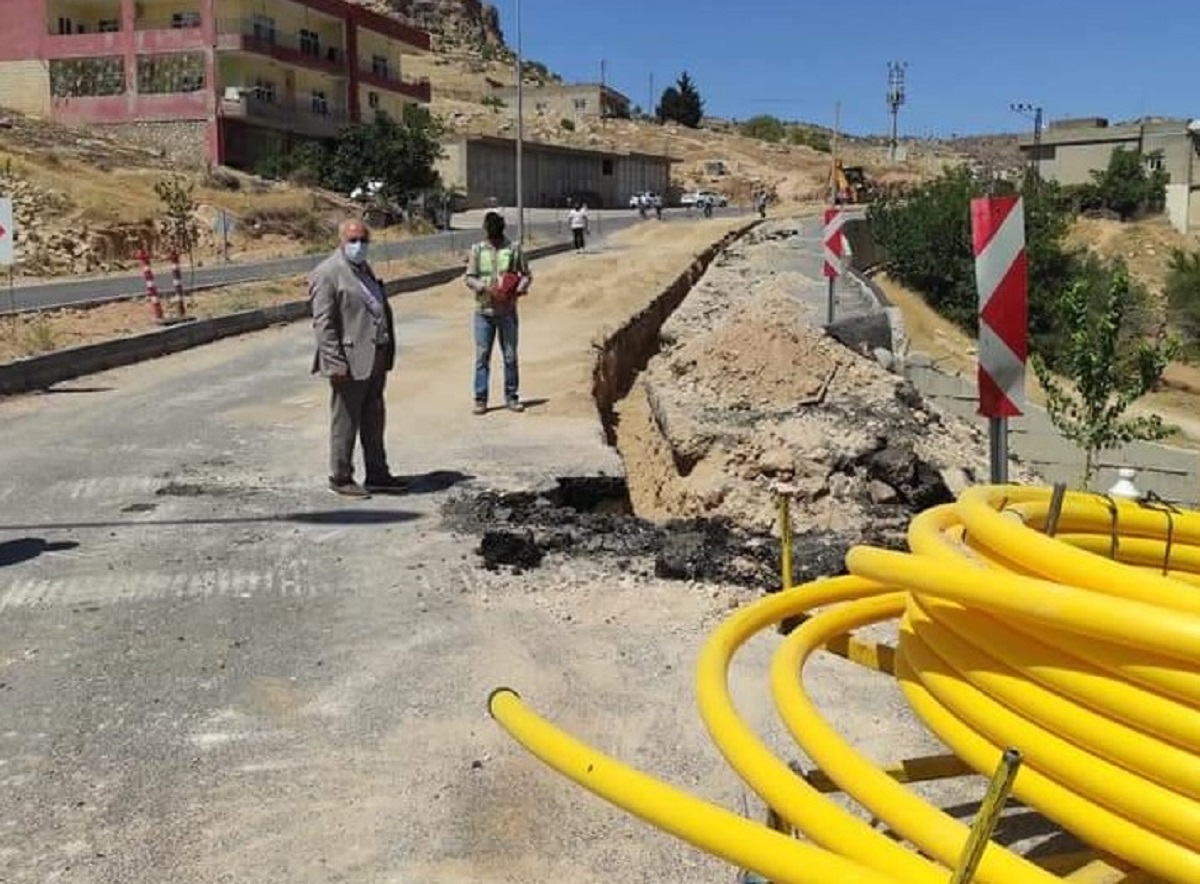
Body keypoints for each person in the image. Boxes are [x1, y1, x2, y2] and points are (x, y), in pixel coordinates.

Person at [309, 217, 406, 499]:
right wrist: (335, 361)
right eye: (353, 240)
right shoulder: (327, 273)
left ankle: (377, 474)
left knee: (374, 420)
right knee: (346, 421)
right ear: (341, 241)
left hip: (374, 357)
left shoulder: (363, 270)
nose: (359, 245)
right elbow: (323, 324)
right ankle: (341, 477)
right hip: (348, 362)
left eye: (364, 240)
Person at [464, 211, 532, 415]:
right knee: (482, 356)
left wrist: (519, 289)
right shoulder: (477, 250)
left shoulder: (513, 249)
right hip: (484, 311)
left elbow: (526, 275)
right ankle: (480, 398)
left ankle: (512, 396)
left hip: (507, 312)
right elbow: (469, 277)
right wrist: (484, 288)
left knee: (510, 356)